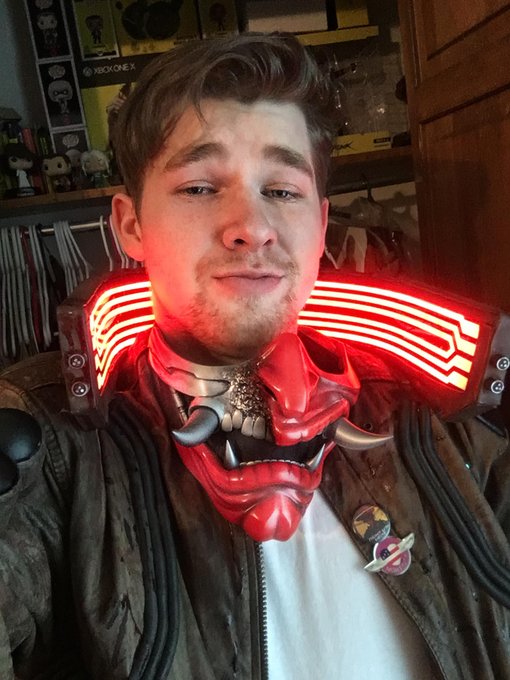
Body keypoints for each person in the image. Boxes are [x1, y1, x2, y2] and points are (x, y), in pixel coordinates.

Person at [0, 33, 509, 680]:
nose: (251, 226)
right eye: (198, 187)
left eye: (283, 191)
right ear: (130, 225)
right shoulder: (54, 447)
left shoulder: (441, 413)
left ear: (320, 225)